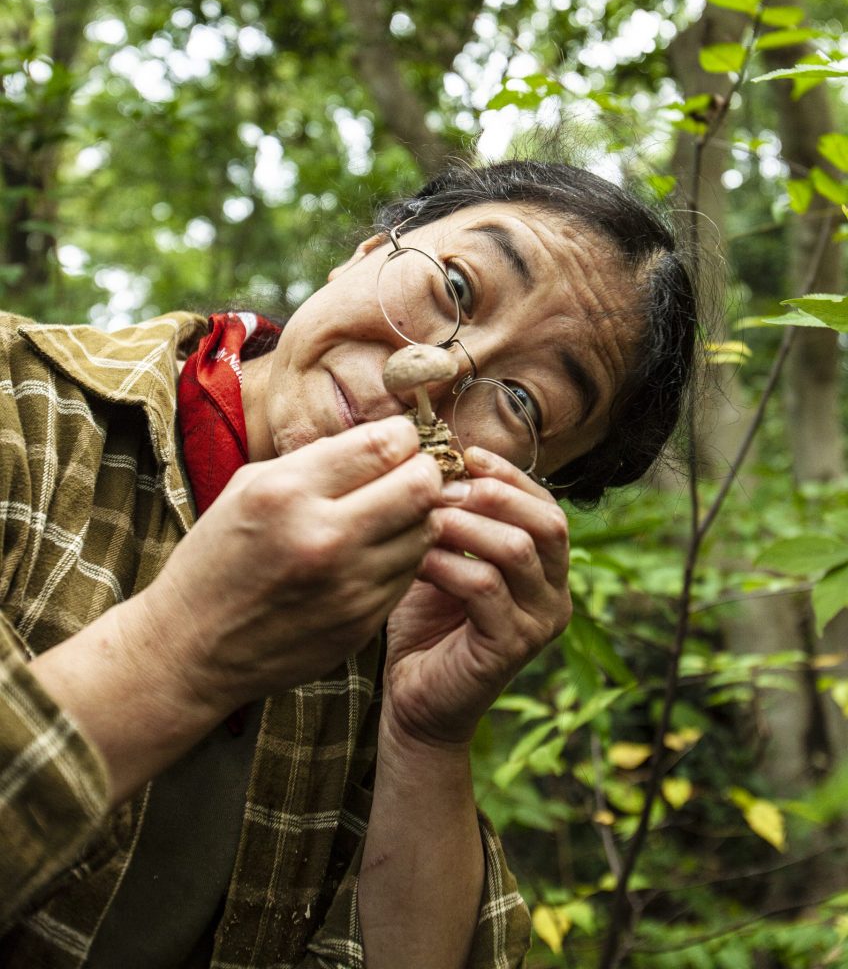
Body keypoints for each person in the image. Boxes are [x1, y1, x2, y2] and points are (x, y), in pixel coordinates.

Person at [0, 158, 696, 968]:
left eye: (523, 401)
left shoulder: (411, 633)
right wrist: (182, 647)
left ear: (532, 483)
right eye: (459, 288)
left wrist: (426, 737)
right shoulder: (20, 403)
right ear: (367, 254)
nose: (437, 370)